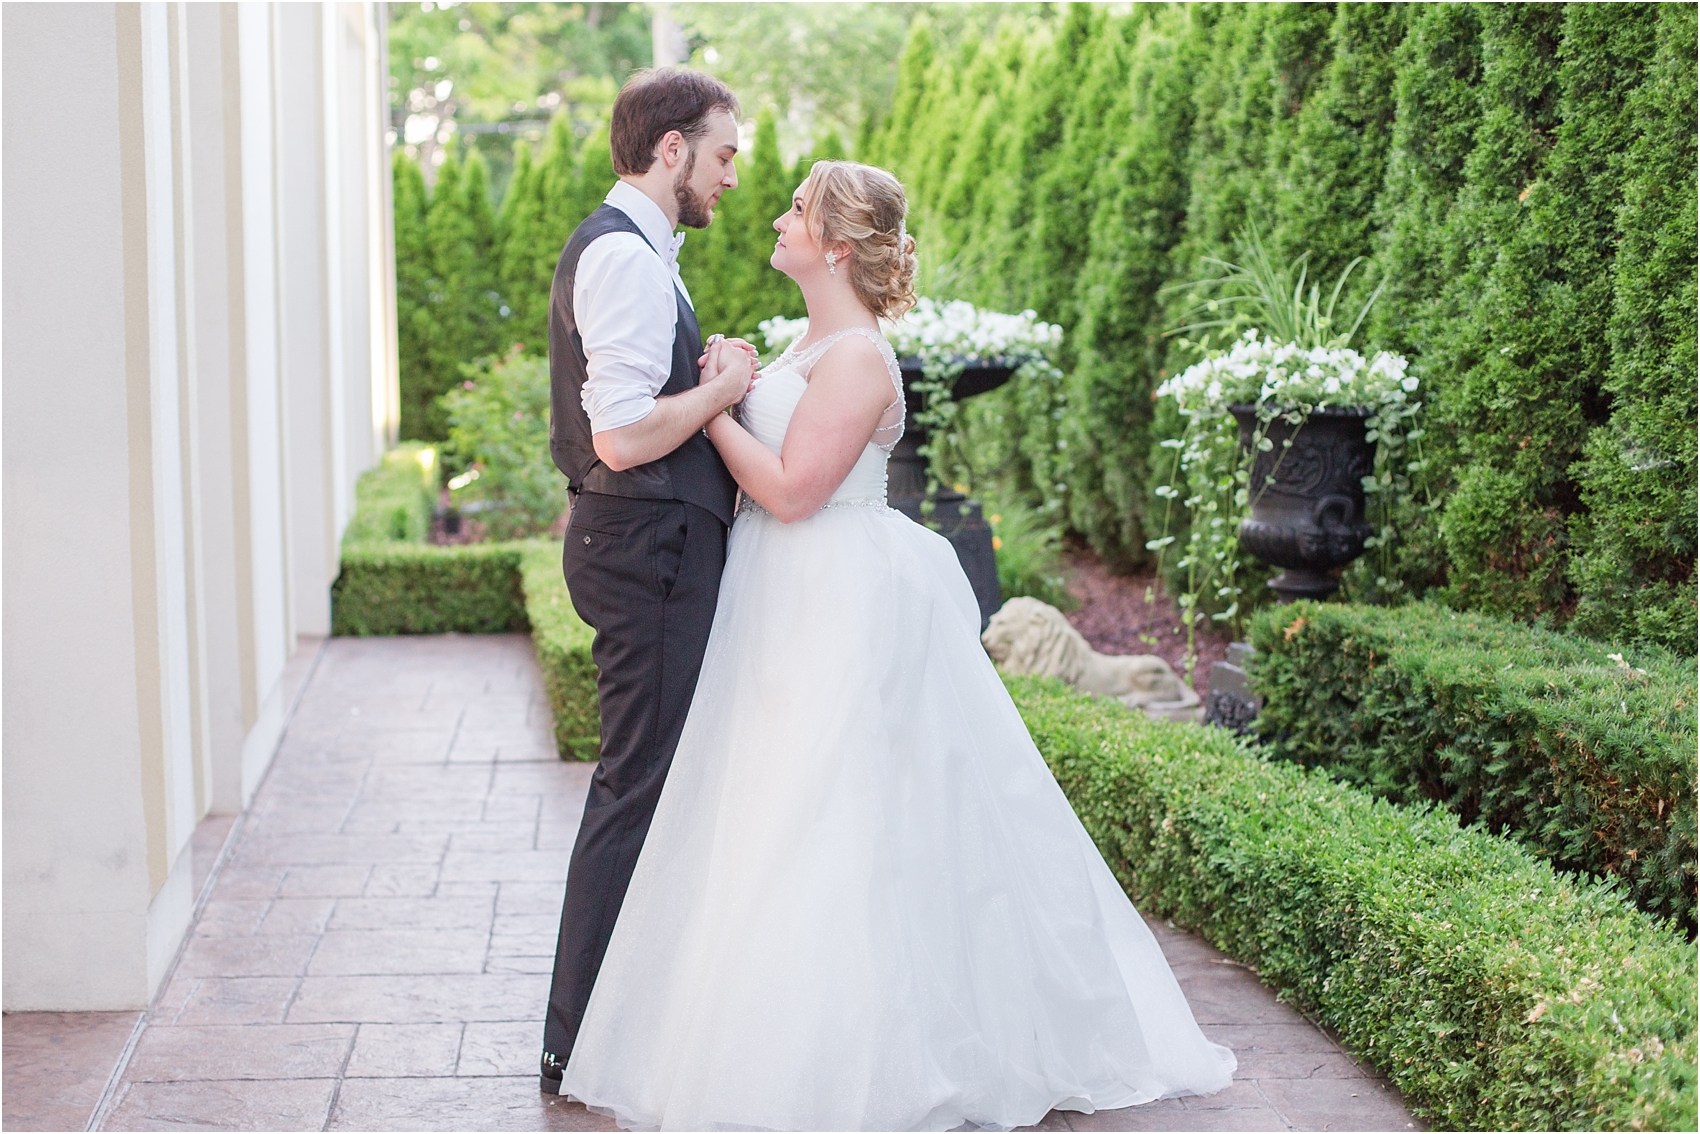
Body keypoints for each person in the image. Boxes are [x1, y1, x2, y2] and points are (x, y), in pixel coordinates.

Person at [557, 160, 1236, 1130]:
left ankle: (870, 1057)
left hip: (832, 594)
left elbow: (791, 493)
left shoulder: (860, 359)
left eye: (797, 208)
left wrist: (712, 411)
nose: (780, 216)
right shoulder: (808, 344)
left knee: (840, 817)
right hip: (777, 597)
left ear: (834, 243)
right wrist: (735, 381)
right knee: (768, 813)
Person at [539, 67, 761, 1092]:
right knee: (637, 788)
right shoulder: (625, 258)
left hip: (641, 549)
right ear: (669, 149)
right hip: (649, 555)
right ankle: (580, 1041)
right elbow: (620, 437)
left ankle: (611, 1024)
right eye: (722, 154)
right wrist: (719, 388)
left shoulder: (637, 252)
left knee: (646, 786)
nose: (729, 177)